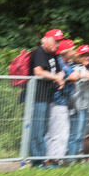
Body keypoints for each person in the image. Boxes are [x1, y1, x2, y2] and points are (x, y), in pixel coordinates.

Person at [27, 28, 64, 167]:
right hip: (37, 96)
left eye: (59, 41)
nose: (58, 44)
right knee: (37, 130)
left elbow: (59, 71)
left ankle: (42, 160)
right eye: (56, 41)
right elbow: (38, 72)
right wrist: (56, 77)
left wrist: (60, 77)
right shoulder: (39, 52)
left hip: (47, 96)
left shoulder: (53, 55)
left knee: (43, 130)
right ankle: (37, 162)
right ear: (46, 39)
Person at [46, 39, 75, 167]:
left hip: (64, 102)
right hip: (57, 101)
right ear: (65, 52)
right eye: (71, 50)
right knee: (56, 132)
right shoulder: (59, 62)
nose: (74, 52)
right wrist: (72, 76)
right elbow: (72, 76)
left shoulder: (69, 64)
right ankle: (52, 160)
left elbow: (74, 75)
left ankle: (58, 159)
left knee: (63, 133)